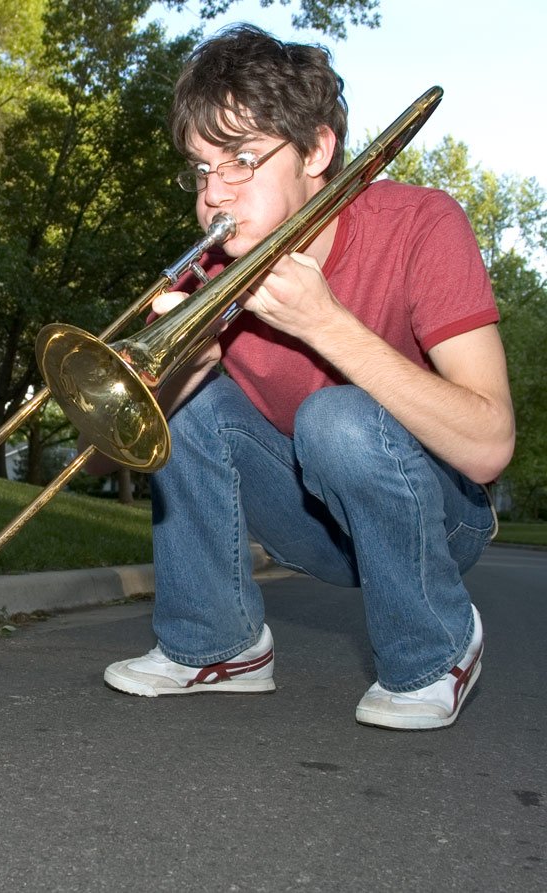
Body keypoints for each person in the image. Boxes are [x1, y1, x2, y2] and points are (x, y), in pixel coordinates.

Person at [98, 24, 515, 731]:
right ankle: (216, 645)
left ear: (317, 150)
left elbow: (489, 443)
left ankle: (436, 649)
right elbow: (118, 454)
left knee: (336, 417)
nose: (212, 194)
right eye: (200, 170)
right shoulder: (213, 271)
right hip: (313, 518)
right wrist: (169, 379)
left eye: (241, 160)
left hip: (441, 517)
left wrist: (326, 324)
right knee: (187, 397)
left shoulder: (422, 223)